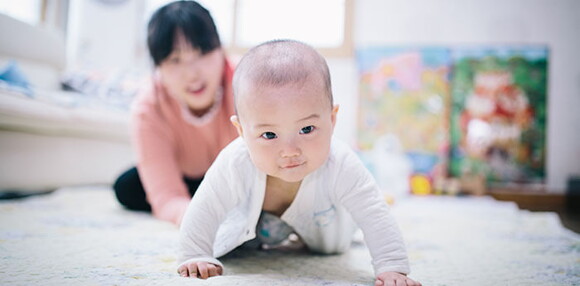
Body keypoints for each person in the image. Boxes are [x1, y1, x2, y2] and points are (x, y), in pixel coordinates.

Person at [177, 40, 421, 286]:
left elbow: (373, 212)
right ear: (241, 132)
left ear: (332, 120)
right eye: (269, 135)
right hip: (251, 239)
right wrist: (195, 253)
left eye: (307, 129)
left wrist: (392, 266)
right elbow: (205, 206)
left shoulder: (341, 163)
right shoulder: (234, 162)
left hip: (328, 235)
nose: (290, 151)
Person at [113, 1, 238, 225]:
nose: (192, 74)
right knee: (127, 187)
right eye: (175, 60)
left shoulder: (247, 82)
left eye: (202, 53)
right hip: (186, 176)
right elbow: (167, 196)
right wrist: (201, 220)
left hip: (239, 177)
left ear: (221, 51)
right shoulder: (148, 108)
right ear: (158, 68)